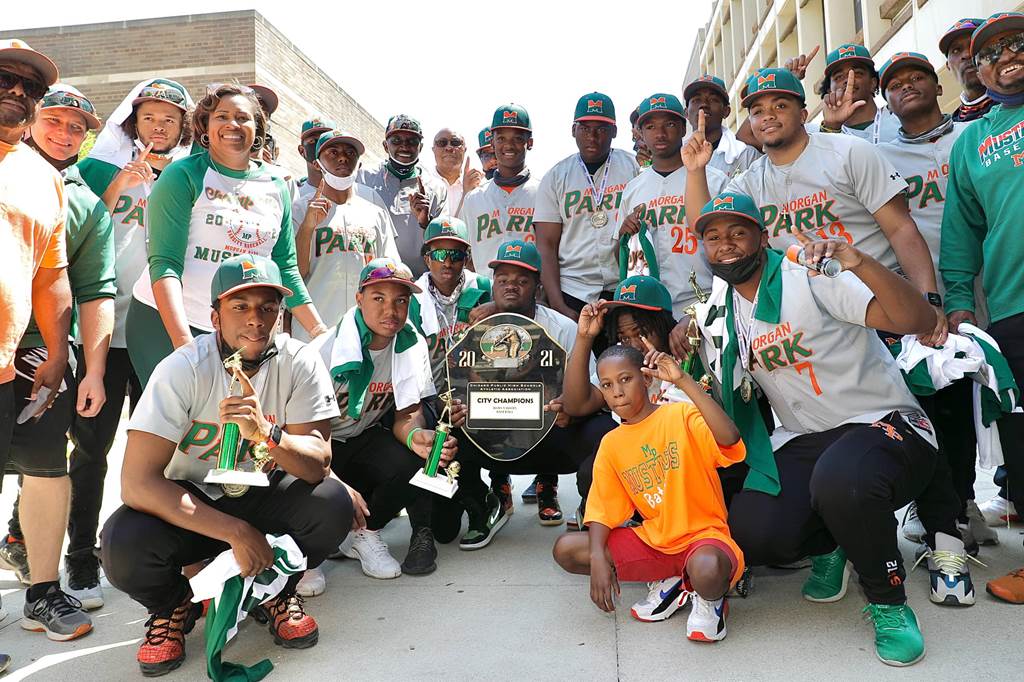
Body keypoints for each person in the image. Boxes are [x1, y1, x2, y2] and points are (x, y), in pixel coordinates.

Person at [689, 190, 966, 666]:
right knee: (753, 534)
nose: (725, 244)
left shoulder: (809, 276)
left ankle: (887, 601)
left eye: (738, 232)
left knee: (843, 477)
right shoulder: (725, 311)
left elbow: (916, 319)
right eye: (712, 237)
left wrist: (860, 262)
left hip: (885, 423)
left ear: (761, 237)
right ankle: (835, 541)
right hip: (808, 440)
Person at [99, 254, 352, 676]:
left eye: (268, 307)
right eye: (240, 307)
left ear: (281, 315)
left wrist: (267, 435)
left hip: (264, 493)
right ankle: (173, 605)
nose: (256, 319)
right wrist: (235, 531)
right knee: (121, 542)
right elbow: (137, 483)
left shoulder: (301, 361)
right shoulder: (181, 368)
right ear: (215, 317)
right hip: (194, 504)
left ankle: (275, 587)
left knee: (331, 503)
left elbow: (317, 465)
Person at [684, 67, 947, 349]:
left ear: (803, 114)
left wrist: (928, 300)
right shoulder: (750, 181)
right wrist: (696, 171)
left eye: (780, 105)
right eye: (757, 110)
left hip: (885, 303)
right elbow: (705, 225)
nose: (768, 116)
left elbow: (901, 229)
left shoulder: (849, 152)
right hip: (816, 320)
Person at [1, 84, 115, 632]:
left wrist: (90, 368)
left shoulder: (84, 201)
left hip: (42, 356)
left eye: (78, 128)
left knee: (48, 470)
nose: (65, 134)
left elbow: (92, 290)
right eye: (57, 120)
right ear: (34, 117)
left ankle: (43, 593)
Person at [874, 52, 999, 551]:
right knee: (943, 402)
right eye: (896, 83)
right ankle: (955, 503)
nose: (907, 86)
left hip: (992, 279)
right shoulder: (880, 156)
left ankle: (996, 491)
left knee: (999, 397)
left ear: (937, 82)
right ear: (886, 100)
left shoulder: (972, 136)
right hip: (927, 294)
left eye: (917, 77)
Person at [125, 83, 327, 387]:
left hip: (238, 329)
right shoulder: (182, 175)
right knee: (180, 428)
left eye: (243, 117)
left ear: (257, 128)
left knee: (231, 424)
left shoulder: (277, 185)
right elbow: (164, 263)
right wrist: (185, 347)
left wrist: (320, 333)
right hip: (165, 323)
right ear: (205, 125)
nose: (233, 124)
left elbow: (284, 268)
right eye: (222, 116)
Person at [553, 344, 745, 642]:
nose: (617, 391)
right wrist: (598, 559)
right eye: (607, 385)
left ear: (646, 379)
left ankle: (709, 600)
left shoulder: (680, 415)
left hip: (704, 539)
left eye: (625, 379)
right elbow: (602, 510)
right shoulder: (612, 443)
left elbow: (730, 437)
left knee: (707, 570)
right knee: (567, 549)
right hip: (656, 542)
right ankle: (673, 581)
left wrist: (683, 381)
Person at [940, 11, 1024, 604]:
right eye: (991, 52)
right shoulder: (971, 142)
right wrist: (960, 305)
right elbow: (960, 235)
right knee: (1021, 436)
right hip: (1015, 308)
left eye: (1019, 43)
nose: (1006, 55)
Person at [450, 240, 616, 532]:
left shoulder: (563, 328)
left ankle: (592, 506)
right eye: (503, 280)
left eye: (521, 280)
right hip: (492, 441)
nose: (511, 286)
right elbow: (451, 386)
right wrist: (454, 410)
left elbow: (595, 384)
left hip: (553, 439)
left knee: (602, 431)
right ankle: (482, 505)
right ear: (493, 286)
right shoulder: (474, 330)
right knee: (445, 430)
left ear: (537, 287)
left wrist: (572, 410)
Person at [312, 257, 455, 578]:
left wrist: (417, 438)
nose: (391, 310)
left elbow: (406, 415)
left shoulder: (410, 343)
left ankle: (364, 533)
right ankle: (308, 551)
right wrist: (332, 482)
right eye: (379, 298)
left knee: (417, 462)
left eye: (400, 300)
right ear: (359, 298)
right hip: (318, 444)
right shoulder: (325, 350)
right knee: (313, 489)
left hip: (361, 438)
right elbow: (305, 434)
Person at [0, 39, 73, 644]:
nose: (18, 91)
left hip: (18, 358)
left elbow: (51, 275)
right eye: (6, 78)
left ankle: (43, 592)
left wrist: (57, 352)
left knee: (49, 469)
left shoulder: (43, 177)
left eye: (32, 87)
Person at [618, 92, 729, 357]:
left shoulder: (714, 179)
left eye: (668, 123)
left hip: (703, 301)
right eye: (650, 126)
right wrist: (624, 235)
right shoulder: (633, 189)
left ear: (682, 126)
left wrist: (705, 309)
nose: (660, 133)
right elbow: (622, 258)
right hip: (650, 312)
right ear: (640, 133)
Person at [534, 92, 640, 336]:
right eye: (585, 128)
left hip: (622, 289)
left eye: (602, 128)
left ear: (614, 131)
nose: (592, 136)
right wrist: (558, 304)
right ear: (573, 130)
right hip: (573, 290)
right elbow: (546, 246)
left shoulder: (633, 168)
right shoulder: (555, 177)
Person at [292, 129, 398, 342]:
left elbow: (389, 272)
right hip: (315, 330)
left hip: (365, 331)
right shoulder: (299, 210)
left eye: (350, 153)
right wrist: (307, 227)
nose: (342, 157)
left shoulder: (375, 212)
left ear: (359, 164)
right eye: (332, 152)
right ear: (316, 164)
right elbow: (295, 274)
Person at [356, 114, 448, 278]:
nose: (404, 147)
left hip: (421, 281)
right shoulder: (364, 177)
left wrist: (426, 222)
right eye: (396, 141)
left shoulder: (437, 187)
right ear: (385, 145)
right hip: (375, 277)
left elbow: (445, 242)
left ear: (420, 147)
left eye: (412, 142)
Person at [408, 217, 491, 388]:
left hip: (479, 391)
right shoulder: (413, 298)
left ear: (466, 259)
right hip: (429, 392)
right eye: (439, 255)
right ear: (427, 260)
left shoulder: (484, 287)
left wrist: (499, 307)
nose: (447, 263)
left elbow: (525, 308)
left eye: (455, 255)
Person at [460, 104, 540, 272]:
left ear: (530, 142)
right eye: (501, 138)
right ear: (492, 142)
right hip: (488, 291)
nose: (508, 145)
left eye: (517, 138)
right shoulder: (474, 199)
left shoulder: (544, 192)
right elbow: (467, 257)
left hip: (532, 291)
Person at [816, 44, 900, 143]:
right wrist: (831, 127)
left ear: (873, 83)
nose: (848, 80)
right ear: (829, 90)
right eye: (839, 77)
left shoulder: (899, 119)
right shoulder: (823, 134)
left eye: (857, 73)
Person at [683, 75, 760, 178]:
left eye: (713, 99)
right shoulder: (676, 157)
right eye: (696, 100)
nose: (704, 104)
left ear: (726, 111)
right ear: (686, 113)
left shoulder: (746, 154)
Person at [940, 18, 996, 122]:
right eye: (956, 50)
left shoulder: (1017, 101)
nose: (967, 54)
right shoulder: (952, 129)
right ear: (948, 66)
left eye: (973, 45)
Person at [431, 128, 483, 217]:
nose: (449, 148)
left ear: (464, 149)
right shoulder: (424, 182)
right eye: (441, 143)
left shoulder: (480, 184)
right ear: (433, 149)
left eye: (455, 143)